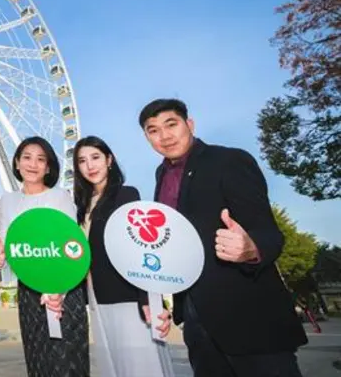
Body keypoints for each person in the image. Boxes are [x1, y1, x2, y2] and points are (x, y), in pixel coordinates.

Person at [139, 98, 308, 377]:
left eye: (171, 125)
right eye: (153, 130)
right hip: (196, 319)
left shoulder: (229, 160)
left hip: (250, 317)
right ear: (147, 138)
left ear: (189, 124)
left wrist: (252, 248)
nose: (164, 136)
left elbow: (268, 232)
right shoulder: (161, 176)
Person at [73, 135, 173, 377]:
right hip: (97, 296)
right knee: (115, 363)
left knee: (139, 364)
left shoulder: (126, 195)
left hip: (126, 295)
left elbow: (141, 246)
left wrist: (148, 299)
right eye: (82, 161)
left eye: (96, 157)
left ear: (109, 159)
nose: (90, 165)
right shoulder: (81, 206)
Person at [0, 136, 90, 377]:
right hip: (29, 290)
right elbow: (7, 243)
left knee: (67, 359)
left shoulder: (60, 197)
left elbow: (72, 245)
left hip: (64, 288)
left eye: (40, 159)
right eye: (26, 157)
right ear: (16, 163)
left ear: (48, 167)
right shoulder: (8, 201)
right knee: (38, 359)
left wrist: (59, 290)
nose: (32, 164)